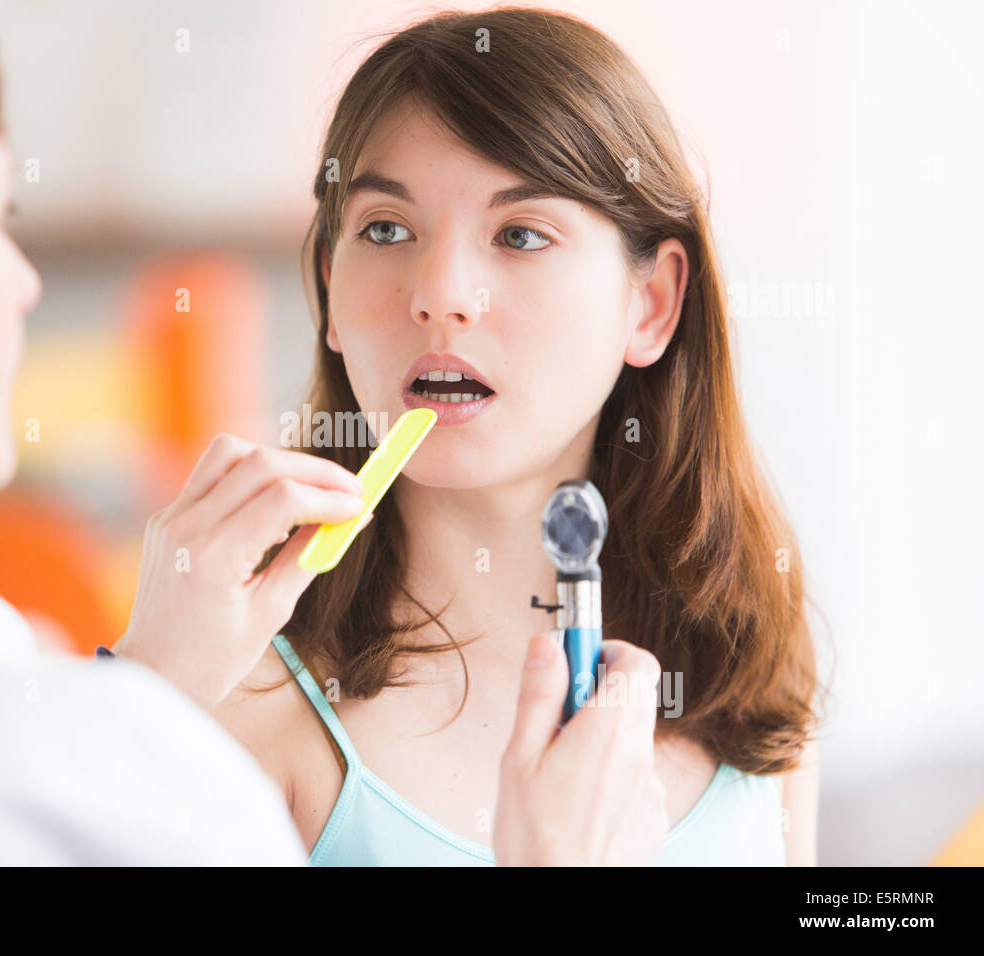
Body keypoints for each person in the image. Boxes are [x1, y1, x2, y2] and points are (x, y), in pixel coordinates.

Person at [0, 0, 668, 865]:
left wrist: (131, 700)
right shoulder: (127, 780)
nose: (26, 284)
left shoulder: (38, 733)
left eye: (522, 234)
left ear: (652, 303)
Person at [214, 8, 823, 866]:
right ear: (328, 283)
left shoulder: (754, 667)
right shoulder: (247, 712)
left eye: (521, 234)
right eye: (386, 229)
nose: (442, 295)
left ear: (650, 304)